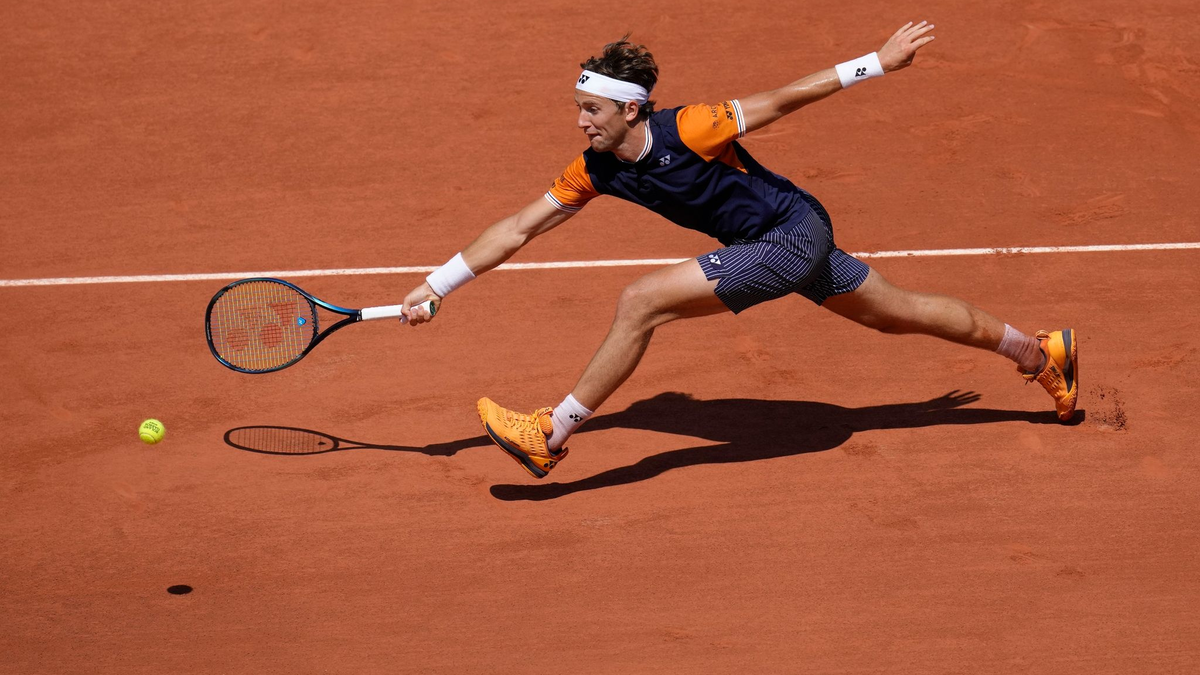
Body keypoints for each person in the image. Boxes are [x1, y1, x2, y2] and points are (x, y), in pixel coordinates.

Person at [400, 22, 1078, 479]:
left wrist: (879, 62)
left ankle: (550, 436)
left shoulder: (692, 126)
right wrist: (438, 283)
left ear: (630, 111)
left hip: (793, 233)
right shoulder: (596, 169)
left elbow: (783, 99)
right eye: (578, 109)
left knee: (641, 301)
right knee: (895, 312)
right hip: (771, 241)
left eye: (592, 111)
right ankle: (1038, 351)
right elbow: (518, 227)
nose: (580, 122)